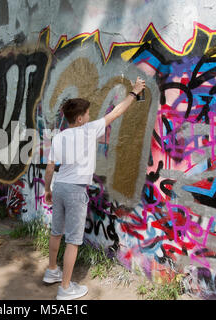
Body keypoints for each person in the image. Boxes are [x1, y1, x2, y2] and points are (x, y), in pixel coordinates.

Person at [43, 77, 146, 300]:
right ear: (80, 118)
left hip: (59, 186)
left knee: (56, 231)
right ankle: (66, 287)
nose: (90, 116)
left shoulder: (59, 137)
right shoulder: (88, 130)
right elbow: (116, 112)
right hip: (75, 191)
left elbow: (50, 168)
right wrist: (135, 92)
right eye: (88, 114)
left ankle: (52, 270)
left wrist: (47, 190)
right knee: (73, 241)